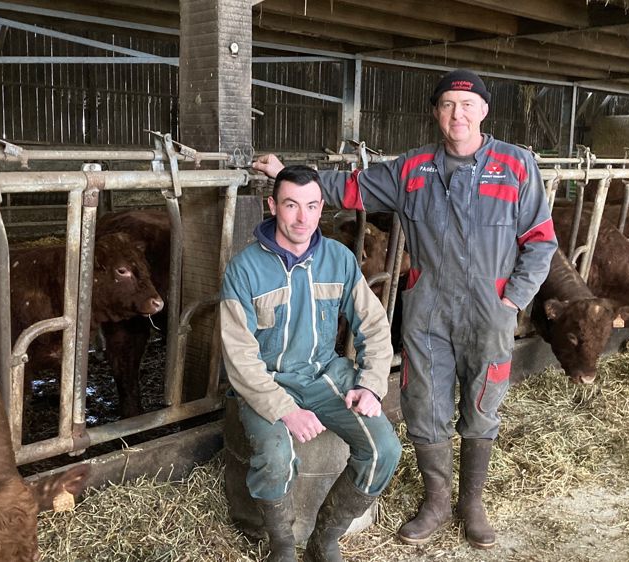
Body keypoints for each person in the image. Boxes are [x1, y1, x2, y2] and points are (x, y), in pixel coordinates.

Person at [253, 69, 557, 550]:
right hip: (428, 309)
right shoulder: (413, 169)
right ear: (437, 113)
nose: (458, 114)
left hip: (490, 311)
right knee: (424, 404)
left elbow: (541, 242)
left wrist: (513, 299)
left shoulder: (516, 165)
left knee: (483, 403)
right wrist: (285, 175)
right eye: (447, 105)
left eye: (467, 104)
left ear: (483, 111)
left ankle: (471, 504)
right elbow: (350, 189)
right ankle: (436, 501)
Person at [220, 165, 402, 562]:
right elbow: (239, 357)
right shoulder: (244, 269)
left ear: (322, 208)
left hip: (324, 373)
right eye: (291, 205)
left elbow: (372, 323)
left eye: (312, 206)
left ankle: (325, 539)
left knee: (384, 449)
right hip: (265, 383)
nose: (302, 218)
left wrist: (371, 383)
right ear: (272, 206)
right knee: (274, 456)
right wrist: (286, 411)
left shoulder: (339, 259)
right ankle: (282, 545)